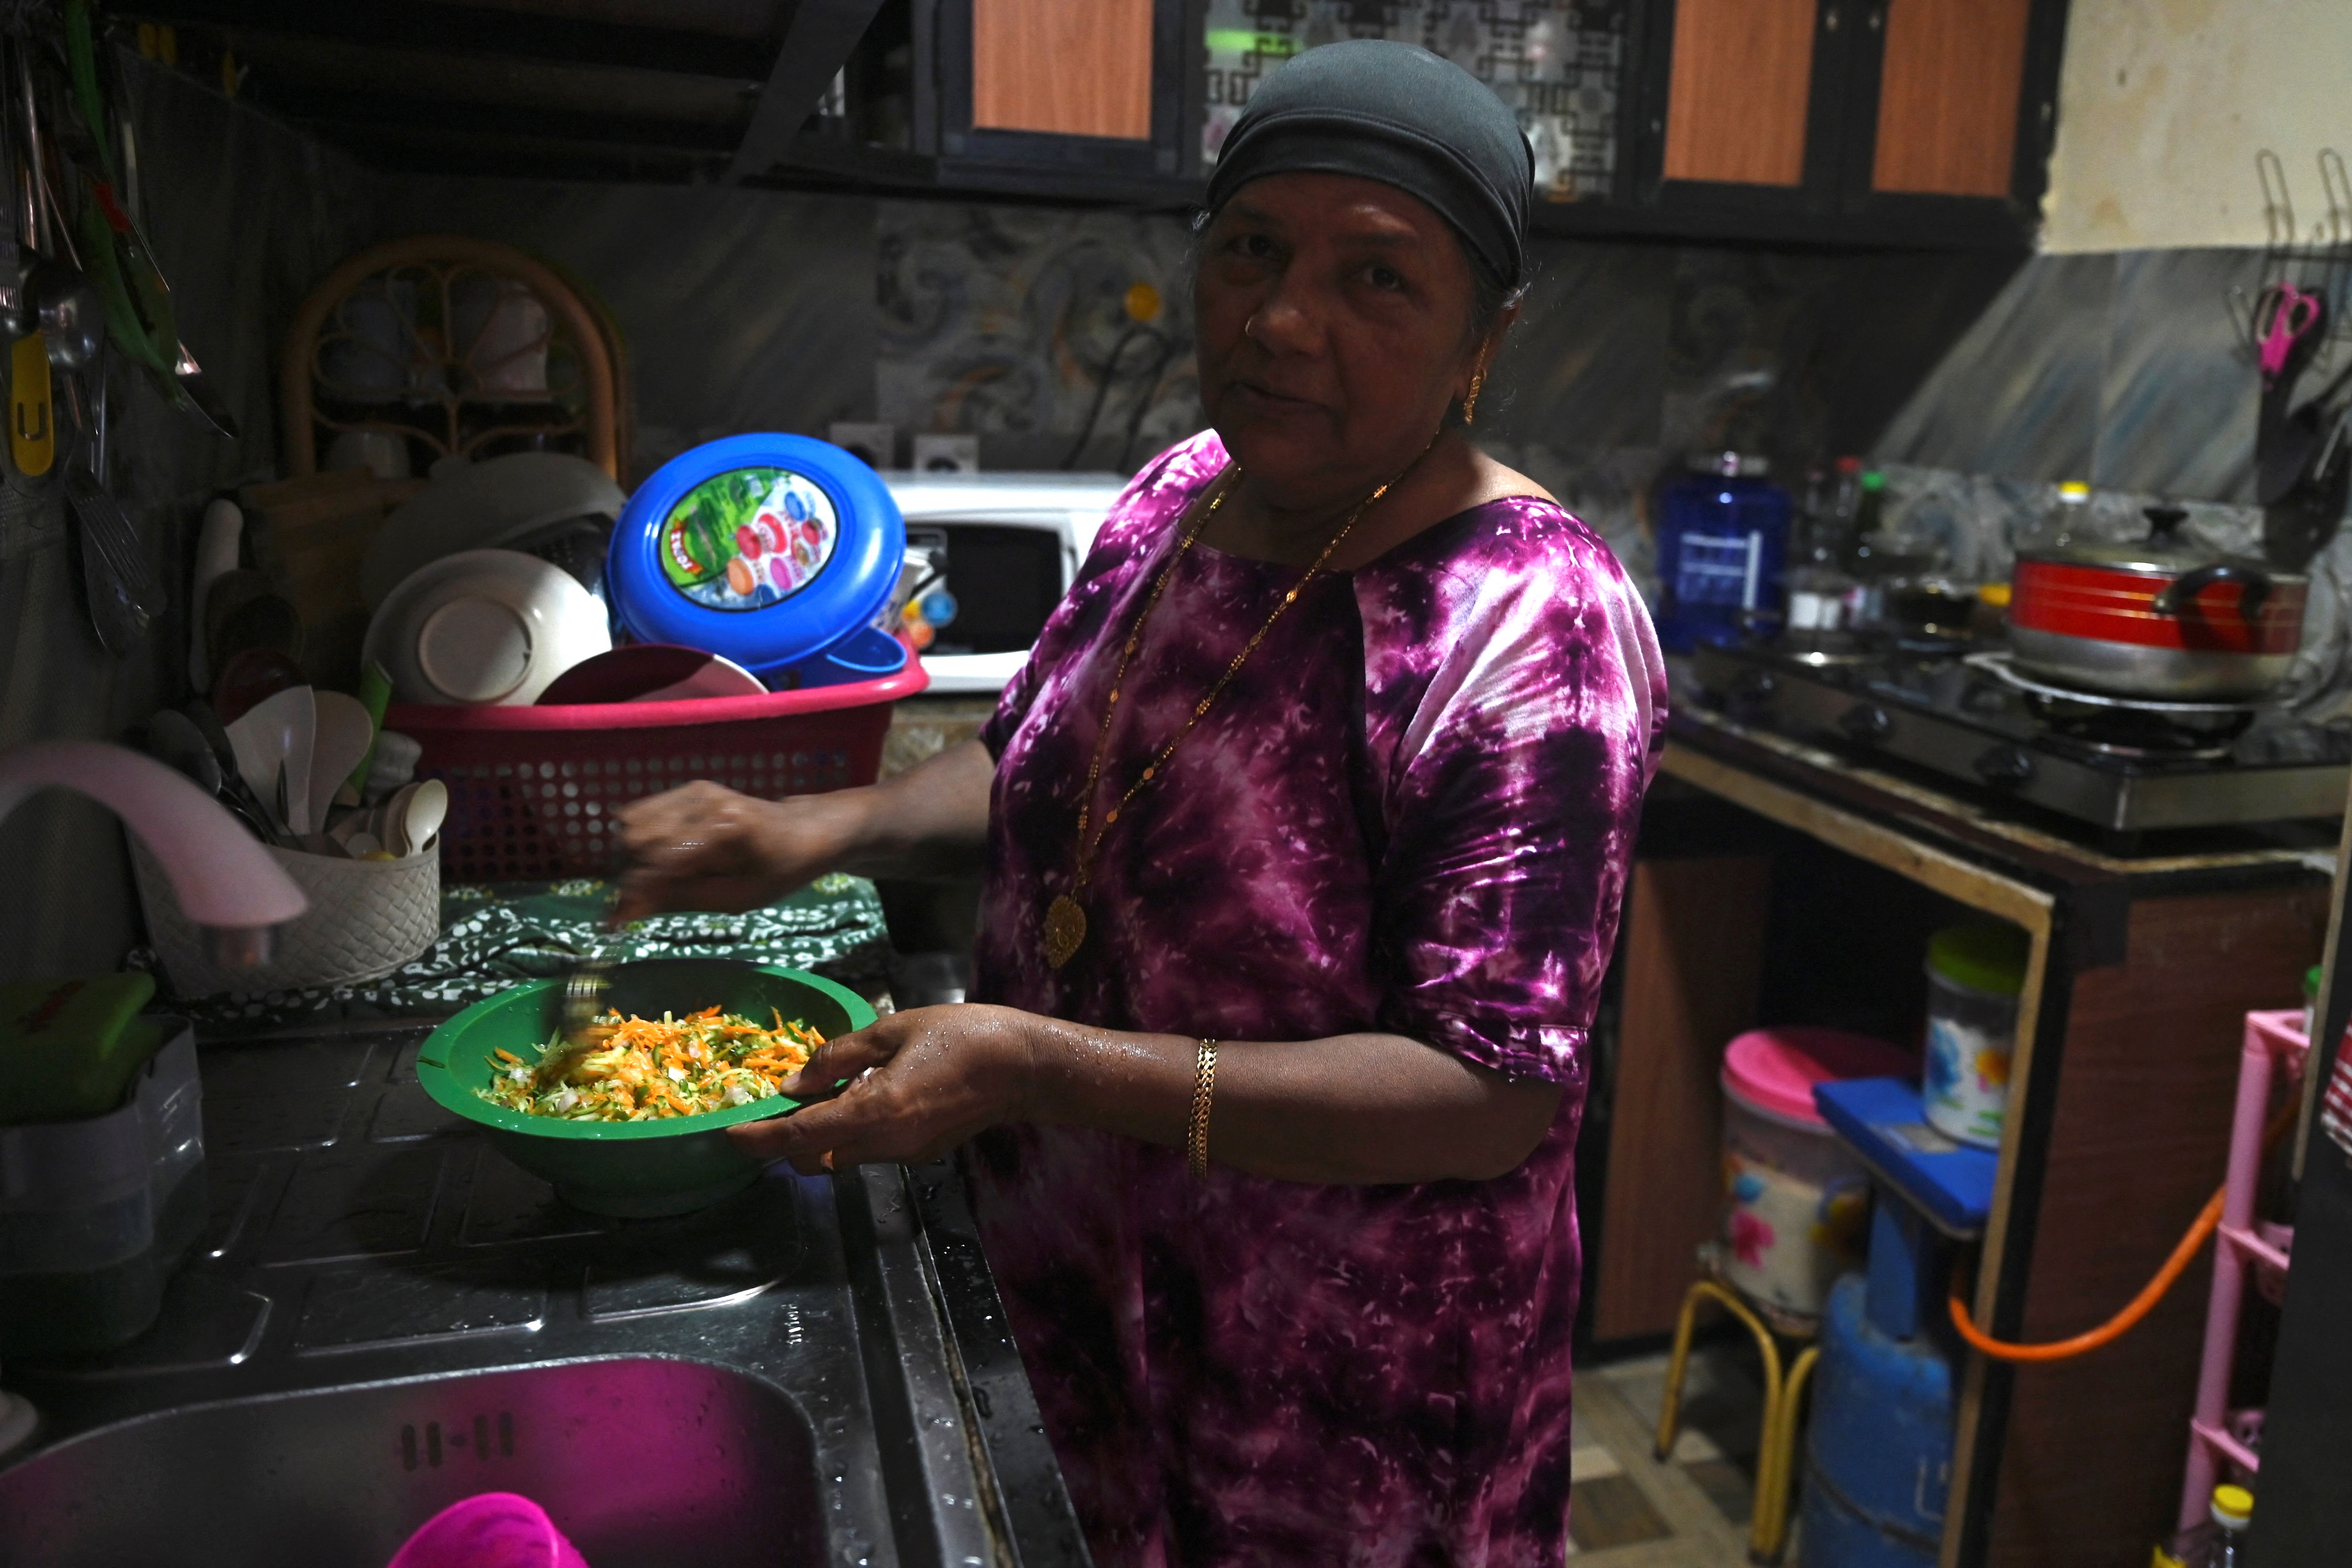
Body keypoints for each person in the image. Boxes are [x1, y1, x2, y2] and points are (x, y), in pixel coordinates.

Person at [615, 38, 1666, 1567]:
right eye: (1251, 249)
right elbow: (1053, 756)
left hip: (1331, 1411)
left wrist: (1039, 1066)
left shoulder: (1530, 627)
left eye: (1379, 279)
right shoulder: (1182, 493)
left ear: (1482, 341)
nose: (1284, 319)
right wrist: (811, 831)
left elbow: (1489, 1089)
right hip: (1082, 1312)